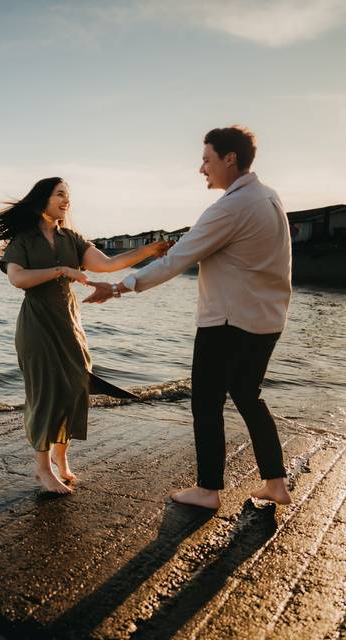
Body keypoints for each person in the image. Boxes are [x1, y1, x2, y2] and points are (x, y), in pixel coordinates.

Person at [83, 125, 293, 509]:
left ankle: (208, 490)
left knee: (207, 404)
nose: (202, 169)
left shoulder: (231, 207)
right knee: (248, 396)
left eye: (206, 159)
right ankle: (275, 483)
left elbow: (177, 260)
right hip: (267, 320)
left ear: (229, 159)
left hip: (227, 323)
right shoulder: (269, 197)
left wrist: (117, 287)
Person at [0, 178, 170, 494]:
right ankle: (42, 468)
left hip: (69, 324)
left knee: (76, 388)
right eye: (60, 195)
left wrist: (151, 250)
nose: (67, 200)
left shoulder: (72, 239)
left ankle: (61, 460)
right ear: (42, 201)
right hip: (37, 326)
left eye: (69, 196)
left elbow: (109, 264)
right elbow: (18, 279)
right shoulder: (23, 241)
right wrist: (62, 271)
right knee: (45, 394)